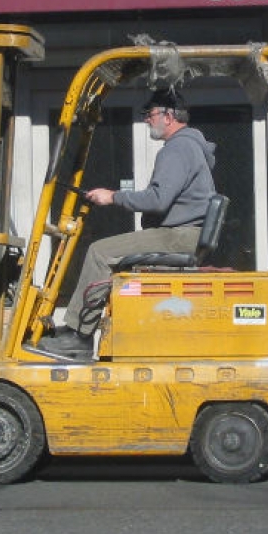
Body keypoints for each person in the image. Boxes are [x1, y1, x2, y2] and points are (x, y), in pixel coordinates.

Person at [39, 88, 217, 353]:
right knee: (110, 252)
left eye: (150, 114)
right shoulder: (191, 146)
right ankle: (79, 326)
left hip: (179, 236)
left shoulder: (178, 148)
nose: (146, 119)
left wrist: (113, 197)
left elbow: (157, 200)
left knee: (100, 252)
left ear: (168, 116)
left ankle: (80, 336)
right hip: (184, 234)